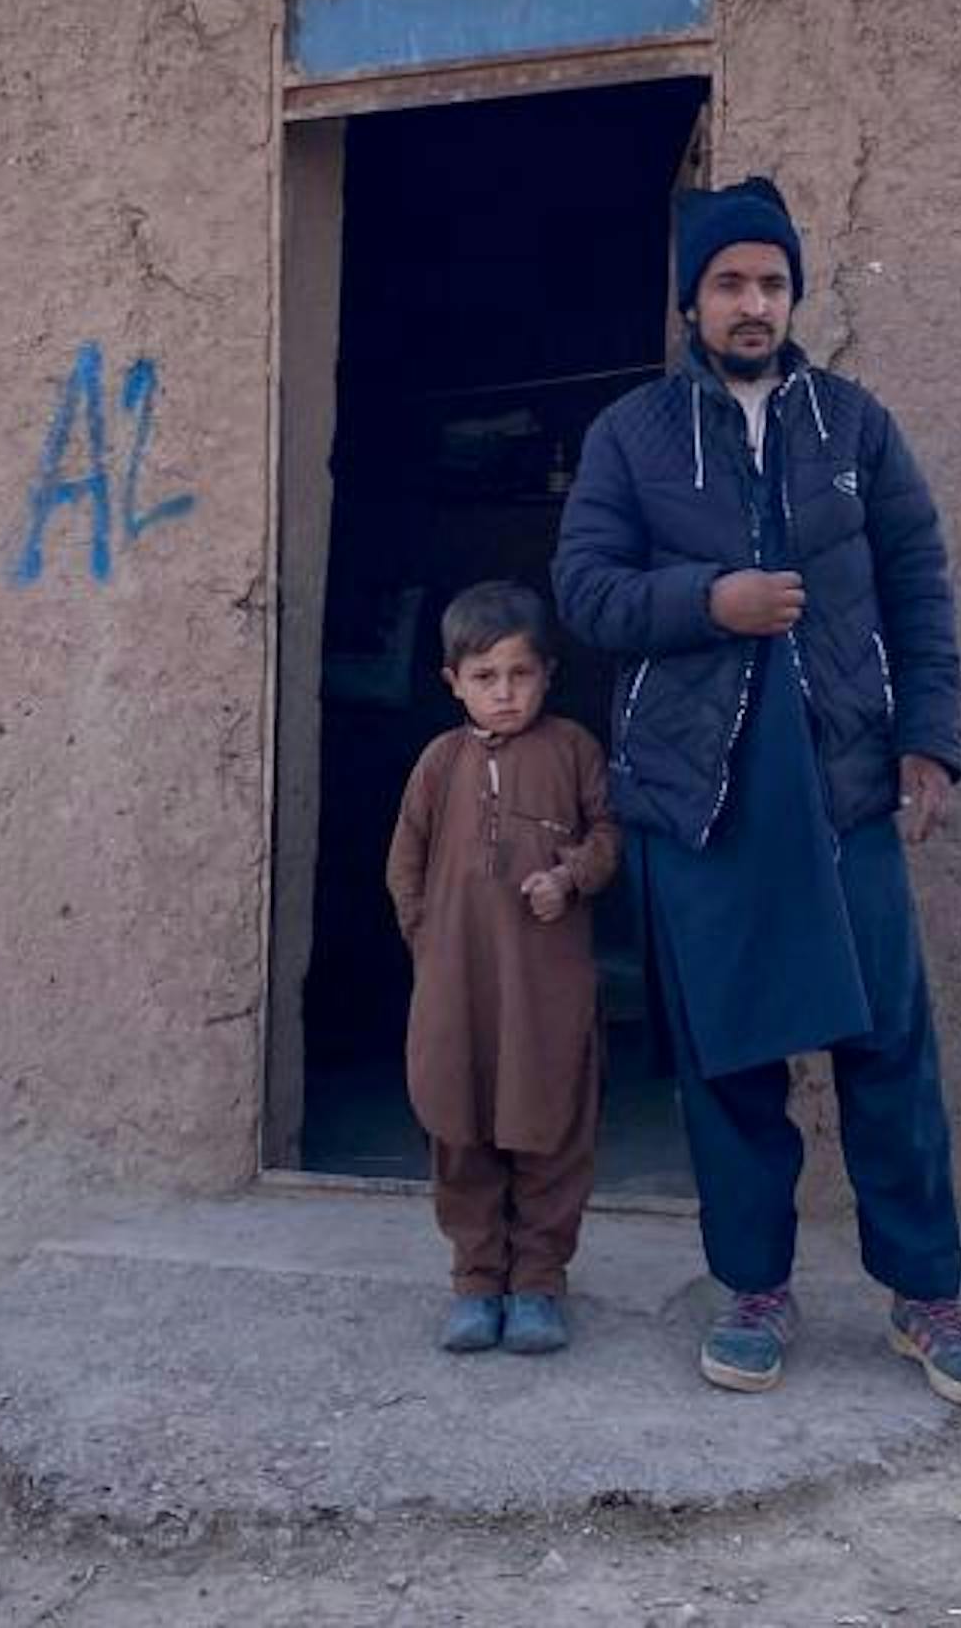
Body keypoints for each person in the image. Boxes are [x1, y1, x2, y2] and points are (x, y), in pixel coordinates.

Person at [552, 175, 961, 1408]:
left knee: (888, 1047)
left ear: (794, 294)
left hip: (844, 783)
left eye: (771, 282)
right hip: (701, 801)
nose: (753, 303)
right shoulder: (632, 436)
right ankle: (753, 1290)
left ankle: (928, 1299)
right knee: (730, 1062)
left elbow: (919, 585)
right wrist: (711, 602)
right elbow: (585, 591)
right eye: (729, 283)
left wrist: (932, 739)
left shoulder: (855, 426)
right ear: (693, 300)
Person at [384, 579, 618, 1356]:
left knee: (546, 1120)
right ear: (453, 682)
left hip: (545, 982)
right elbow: (405, 862)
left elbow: (612, 833)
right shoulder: (438, 761)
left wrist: (570, 876)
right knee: (459, 1120)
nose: (505, 693)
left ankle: (540, 1283)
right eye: (484, 677)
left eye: (520, 674)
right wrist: (429, 940)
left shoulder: (574, 749)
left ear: (548, 672)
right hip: (456, 983)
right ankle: (477, 1281)